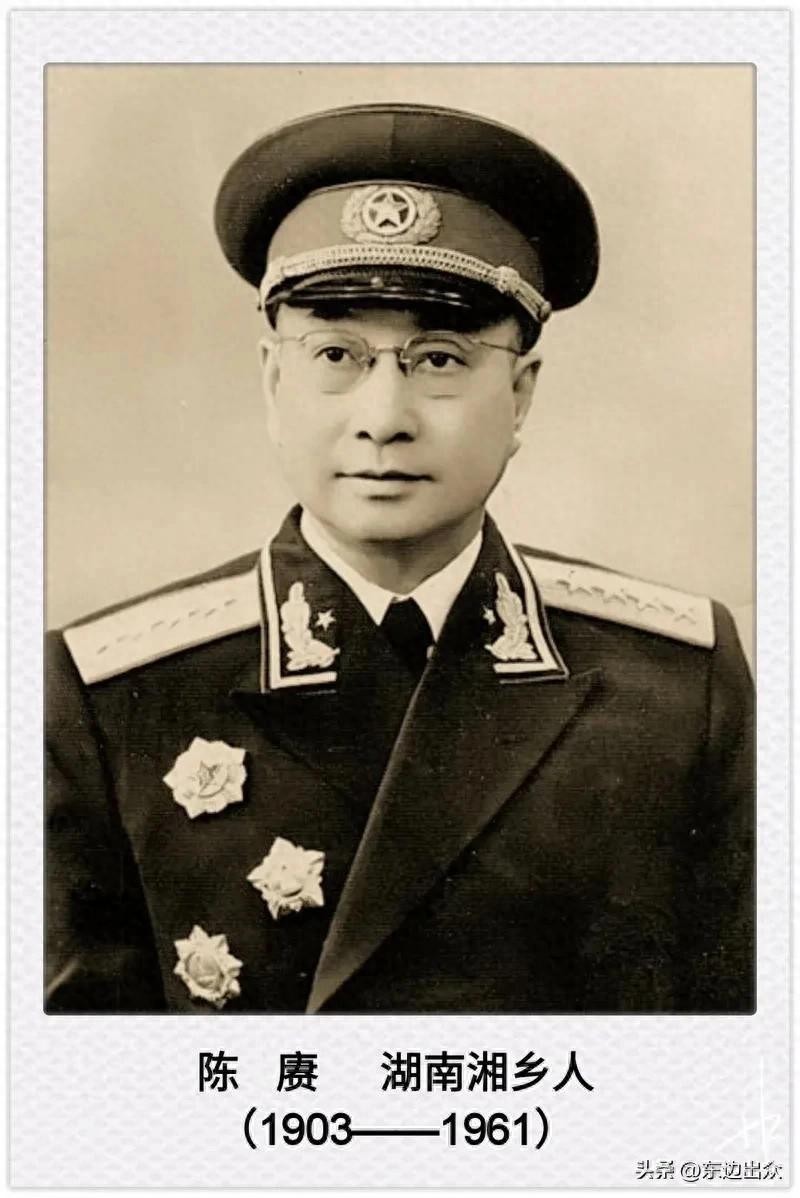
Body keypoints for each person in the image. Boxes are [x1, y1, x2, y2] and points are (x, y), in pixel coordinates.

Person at [46, 102, 754, 1015]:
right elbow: (84, 1080)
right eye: (336, 354)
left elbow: (735, 1057)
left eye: (440, 359)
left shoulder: (677, 684)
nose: (383, 418)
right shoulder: (114, 698)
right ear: (274, 380)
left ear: (521, 394)